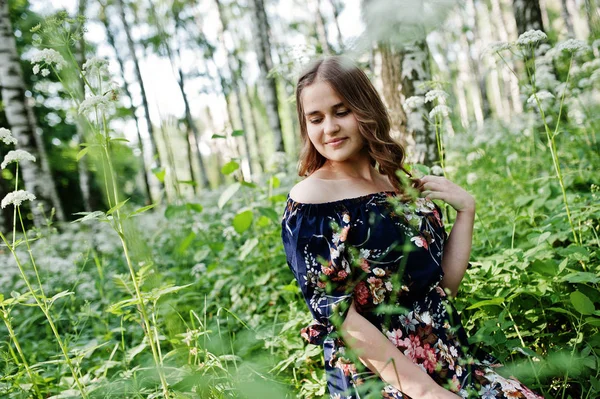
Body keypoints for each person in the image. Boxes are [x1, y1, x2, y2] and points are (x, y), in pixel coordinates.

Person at [280, 56, 544, 399]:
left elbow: (441, 288)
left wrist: (466, 212)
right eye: (316, 119)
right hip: (379, 378)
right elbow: (341, 318)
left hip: (448, 359)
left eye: (341, 111)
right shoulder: (311, 202)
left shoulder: (396, 184)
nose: (328, 128)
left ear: (365, 109)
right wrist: (426, 393)